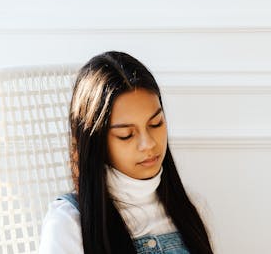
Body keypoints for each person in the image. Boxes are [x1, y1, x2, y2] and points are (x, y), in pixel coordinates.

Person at [39, 51, 215, 254]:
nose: (148, 144)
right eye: (126, 135)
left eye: (156, 124)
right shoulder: (69, 223)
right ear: (97, 142)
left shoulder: (191, 208)